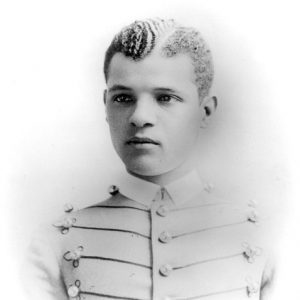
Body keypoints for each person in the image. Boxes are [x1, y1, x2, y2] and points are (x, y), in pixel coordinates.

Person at [23, 18, 275, 300]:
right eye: (123, 98)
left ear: (205, 111)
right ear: (105, 106)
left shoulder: (267, 242)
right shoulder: (55, 245)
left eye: (165, 98)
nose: (140, 117)